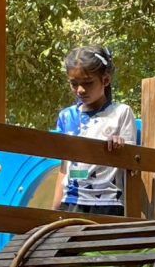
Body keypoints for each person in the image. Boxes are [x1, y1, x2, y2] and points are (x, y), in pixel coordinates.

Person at [51, 45, 137, 216]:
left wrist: (120, 146)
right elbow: (65, 167)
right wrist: (54, 208)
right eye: (74, 84)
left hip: (108, 201)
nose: (80, 90)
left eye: (88, 83)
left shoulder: (121, 112)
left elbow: (132, 166)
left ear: (105, 80)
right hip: (72, 201)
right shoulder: (66, 116)